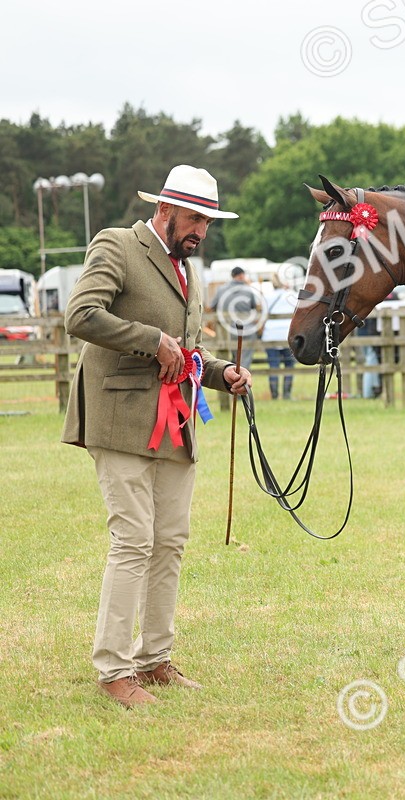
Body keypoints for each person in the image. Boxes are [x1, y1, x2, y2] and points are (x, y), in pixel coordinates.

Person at [61, 164, 250, 708]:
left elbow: (185, 348)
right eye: (195, 218)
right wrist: (152, 341)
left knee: (170, 541)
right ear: (164, 209)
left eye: (209, 222)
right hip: (119, 418)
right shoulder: (117, 245)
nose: (202, 231)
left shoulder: (190, 270)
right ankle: (114, 671)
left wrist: (218, 373)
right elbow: (81, 315)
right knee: (134, 541)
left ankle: (155, 660)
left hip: (176, 422)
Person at [210, 266, 260, 370]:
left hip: (228, 328)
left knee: (232, 356)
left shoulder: (221, 289)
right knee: (245, 356)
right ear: (242, 275)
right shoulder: (248, 290)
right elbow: (254, 306)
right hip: (247, 328)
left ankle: (233, 376)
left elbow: (212, 306)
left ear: (232, 276)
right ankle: (243, 377)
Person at [260, 279, 298, 400]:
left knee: (273, 365)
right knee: (289, 365)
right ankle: (287, 394)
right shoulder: (292, 295)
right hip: (287, 333)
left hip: (270, 334)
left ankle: (274, 395)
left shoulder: (266, 296)